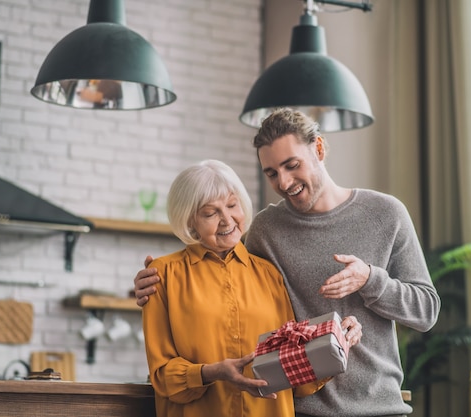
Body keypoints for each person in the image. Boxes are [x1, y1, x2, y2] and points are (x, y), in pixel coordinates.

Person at [135, 108, 441, 417]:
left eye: (292, 165)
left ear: (319, 149)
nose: (283, 182)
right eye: (271, 173)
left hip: (380, 408)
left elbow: (426, 311)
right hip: (302, 407)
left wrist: (370, 279)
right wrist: (154, 282)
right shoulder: (266, 231)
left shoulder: (386, 214)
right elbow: (217, 263)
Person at [141, 159, 362, 417]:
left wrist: (336, 341)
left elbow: (291, 367)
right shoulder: (163, 275)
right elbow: (162, 376)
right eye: (211, 213)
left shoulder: (269, 274)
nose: (227, 220)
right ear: (190, 222)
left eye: (232, 205)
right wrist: (210, 372)